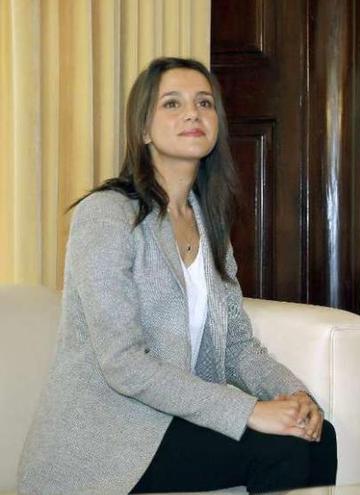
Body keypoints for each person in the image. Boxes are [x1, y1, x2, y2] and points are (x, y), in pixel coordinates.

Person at [17, 57, 336, 494]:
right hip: (112, 434)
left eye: (204, 103)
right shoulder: (107, 214)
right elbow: (123, 363)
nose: (193, 113)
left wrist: (297, 397)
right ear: (144, 130)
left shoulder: (208, 223)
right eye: (172, 103)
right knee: (284, 449)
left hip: (172, 420)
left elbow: (238, 347)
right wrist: (247, 411)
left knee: (317, 436)